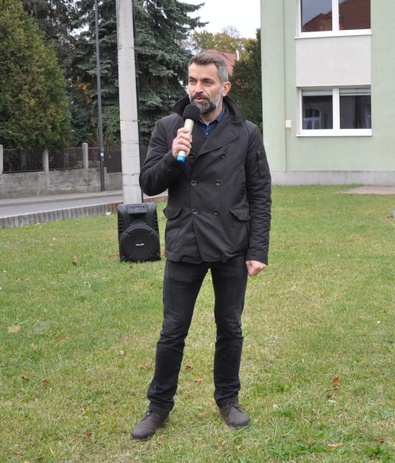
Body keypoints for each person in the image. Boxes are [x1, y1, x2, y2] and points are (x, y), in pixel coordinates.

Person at [131, 52, 272, 441]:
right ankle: (158, 407)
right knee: (173, 329)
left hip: (231, 242)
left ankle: (228, 400)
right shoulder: (169, 127)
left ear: (224, 87)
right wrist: (175, 158)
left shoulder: (246, 132)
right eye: (192, 80)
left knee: (230, 327)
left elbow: (260, 192)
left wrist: (258, 249)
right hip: (185, 241)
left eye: (207, 82)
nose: (197, 89)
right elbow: (149, 183)